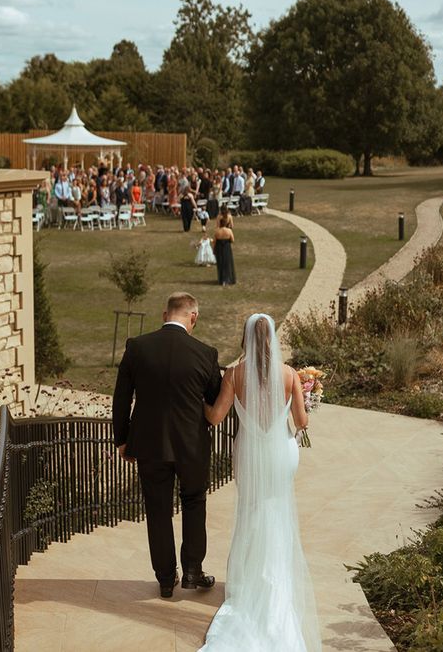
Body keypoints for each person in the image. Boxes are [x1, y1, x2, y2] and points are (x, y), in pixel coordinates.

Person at [199, 314, 320, 652]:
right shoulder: (290, 374)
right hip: (281, 454)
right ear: (272, 340)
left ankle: (250, 578)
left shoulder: (235, 375)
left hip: (250, 454)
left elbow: (215, 416)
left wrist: (198, 398)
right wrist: (306, 398)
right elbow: (301, 421)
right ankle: (274, 575)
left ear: (245, 339)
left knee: (252, 510)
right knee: (277, 508)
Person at [112, 292, 222, 599]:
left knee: (157, 510)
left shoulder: (137, 348)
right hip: (192, 446)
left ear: (165, 314)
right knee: (194, 502)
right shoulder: (206, 353)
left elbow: (121, 398)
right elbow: (214, 403)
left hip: (149, 445)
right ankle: (192, 572)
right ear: (193, 317)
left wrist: (122, 439)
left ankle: (164, 579)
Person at [213, 214, 236, 286]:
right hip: (226, 247)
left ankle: (221, 279)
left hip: (219, 248)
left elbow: (214, 241)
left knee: (220, 263)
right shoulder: (229, 231)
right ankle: (228, 279)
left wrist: (214, 250)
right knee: (227, 263)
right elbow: (232, 240)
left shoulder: (217, 231)